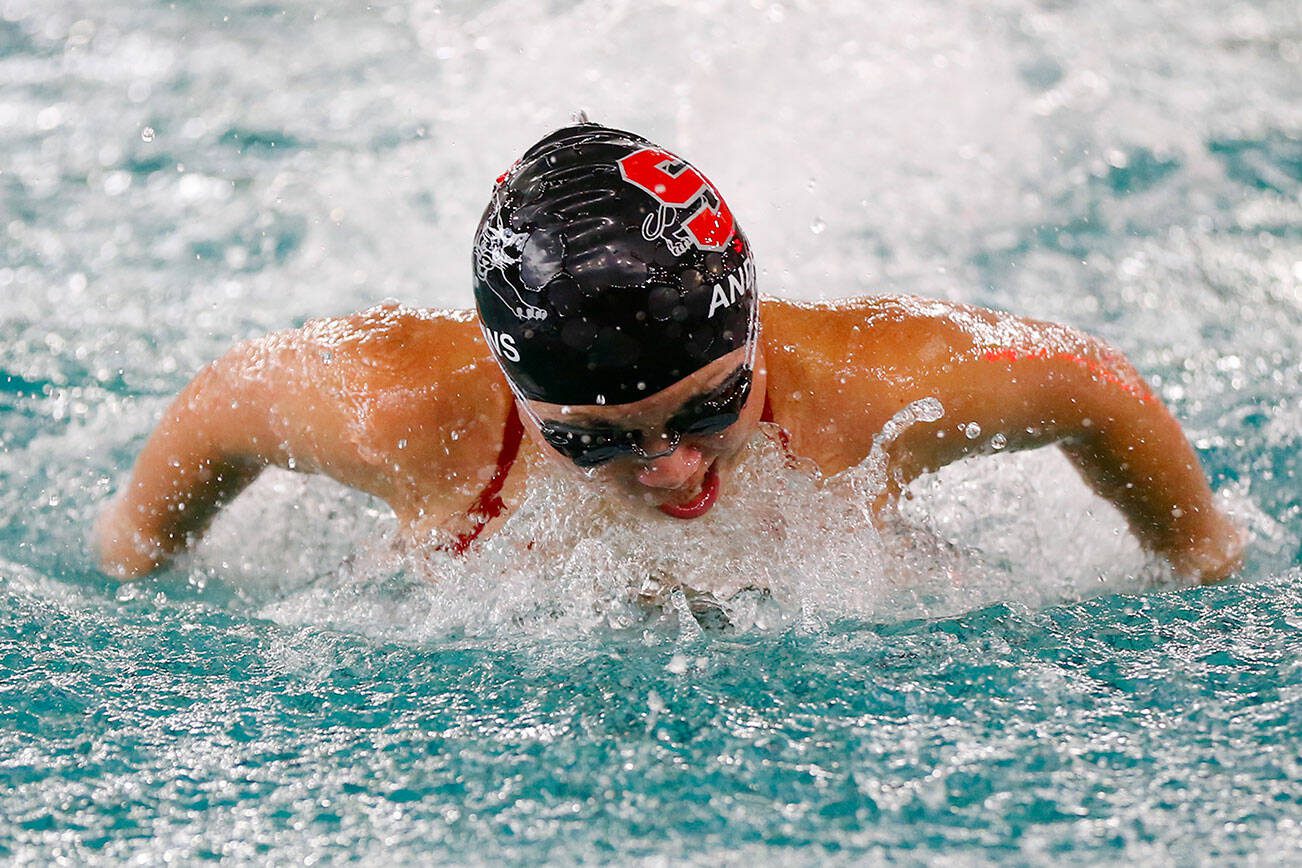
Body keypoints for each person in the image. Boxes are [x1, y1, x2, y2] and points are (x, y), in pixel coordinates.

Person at [94, 123, 1244, 583]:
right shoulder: (407, 410)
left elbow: (1098, 387)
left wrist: (1198, 557)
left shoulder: (869, 388)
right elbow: (217, 405)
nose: (673, 470)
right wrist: (133, 564)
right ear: (511, 388)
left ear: (752, 337)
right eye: (593, 438)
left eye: (708, 409)